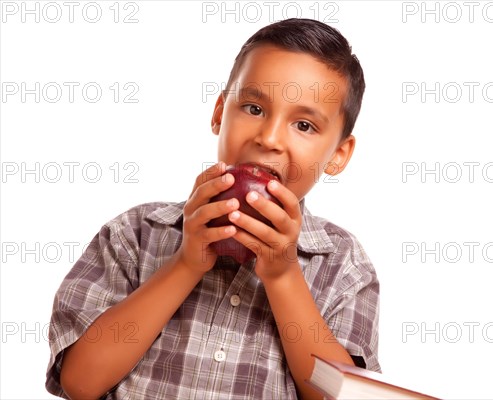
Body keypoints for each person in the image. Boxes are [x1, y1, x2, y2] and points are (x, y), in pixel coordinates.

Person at [46, 18, 380, 399]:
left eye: (303, 125)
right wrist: (186, 263)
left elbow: (343, 395)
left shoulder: (343, 263)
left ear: (338, 154)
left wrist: (284, 277)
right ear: (220, 113)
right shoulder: (134, 232)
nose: (268, 138)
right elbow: (80, 382)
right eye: (253, 108)